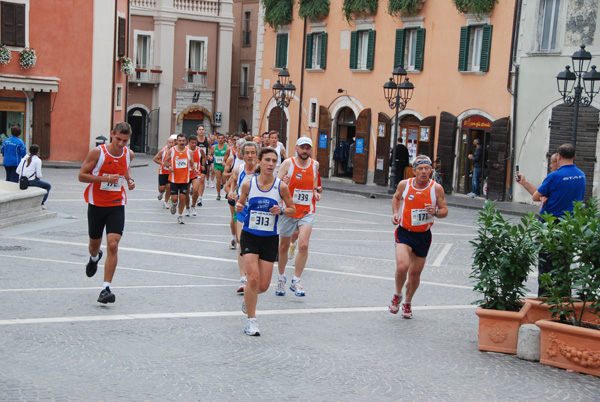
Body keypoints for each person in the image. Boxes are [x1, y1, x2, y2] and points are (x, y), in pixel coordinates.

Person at [235, 147, 295, 336]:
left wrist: (282, 211)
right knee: (252, 277)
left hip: (269, 238)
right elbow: (240, 203)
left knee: (262, 285)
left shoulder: (281, 187)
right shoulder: (248, 184)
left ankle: (249, 297)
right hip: (250, 235)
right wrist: (238, 205)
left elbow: (292, 208)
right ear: (259, 161)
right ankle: (251, 321)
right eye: (267, 160)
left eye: (274, 161)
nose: (271, 164)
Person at [515, 144, 585, 296]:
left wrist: (545, 195)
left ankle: (546, 301)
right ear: (574, 156)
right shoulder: (581, 175)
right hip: (569, 226)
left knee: (546, 266)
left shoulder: (554, 177)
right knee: (564, 266)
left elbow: (535, 197)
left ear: (559, 157)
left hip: (550, 226)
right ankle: (564, 302)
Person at [78, 122, 135, 304]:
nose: (121, 144)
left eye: (125, 141)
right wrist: (104, 178)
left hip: (117, 204)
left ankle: (105, 288)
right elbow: (82, 176)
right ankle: (94, 257)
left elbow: (125, 166)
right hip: (96, 204)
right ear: (112, 134)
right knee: (95, 245)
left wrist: (129, 179)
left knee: (113, 245)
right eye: (118, 139)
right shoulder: (98, 152)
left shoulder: (129, 153)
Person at [389, 155, 448, 318]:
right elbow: (396, 197)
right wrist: (395, 213)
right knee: (402, 266)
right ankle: (397, 294)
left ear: (430, 170)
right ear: (414, 171)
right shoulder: (404, 184)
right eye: (420, 168)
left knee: (415, 274)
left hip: (423, 235)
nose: (423, 172)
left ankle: (407, 302)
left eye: (427, 168)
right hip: (404, 232)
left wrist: (435, 212)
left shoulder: (436, 189)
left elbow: (444, 210)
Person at [276, 137, 321, 297]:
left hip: (307, 210)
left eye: (308, 148)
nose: (305, 151)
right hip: (289, 210)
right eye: (302, 148)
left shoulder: (314, 165)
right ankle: (281, 277)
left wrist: (315, 191)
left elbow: (314, 181)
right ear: (296, 148)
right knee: (283, 247)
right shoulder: (288, 164)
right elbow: (276, 184)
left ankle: (296, 280)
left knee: (303, 245)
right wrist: (283, 181)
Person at [225, 140, 259, 294]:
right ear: (243, 155)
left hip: (258, 211)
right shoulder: (238, 170)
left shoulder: (262, 169)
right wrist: (232, 192)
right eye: (247, 153)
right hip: (242, 209)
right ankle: (243, 279)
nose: (250, 156)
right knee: (241, 242)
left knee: (255, 245)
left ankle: (252, 273)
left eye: (253, 153)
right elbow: (231, 185)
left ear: (257, 154)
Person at [163, 134, 197, 224]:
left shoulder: (189, 152)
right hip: (174, 179)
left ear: (185, 141)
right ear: (177, 141)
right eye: (180, 141)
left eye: (183, 141)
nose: (181, 142)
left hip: (185, 179)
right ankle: (174, 204)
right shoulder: (172, 151)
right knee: (174, 198)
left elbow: (192, 164)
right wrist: (169, 166)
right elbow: (166, 161)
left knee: (182, 198)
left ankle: (180, 215)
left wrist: (195, 169)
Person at [17, 144, 51, 208]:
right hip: (31, 181)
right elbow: (39, 175)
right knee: (48, 186)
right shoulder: (37, 160)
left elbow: (17, 171)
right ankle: (42, 203)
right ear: (38, 152)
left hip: (22, 181)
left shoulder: (24, 159)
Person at [185, 134, 206, 217]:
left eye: (195, 143)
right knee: (186, 192)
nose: (194, 144)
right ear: (189, 142)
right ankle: (187, 208)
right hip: (186, 173)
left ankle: (193, 206)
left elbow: (204, 157)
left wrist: (203, 165)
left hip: (196, 173)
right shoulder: (185, 149)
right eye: (192, 143)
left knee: (196, 190)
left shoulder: (199, 150)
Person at [153, 135, 176, 209]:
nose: (171, 144)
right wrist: (161, 163)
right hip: (163, 171)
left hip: (170, 172)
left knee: (169, 187)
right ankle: (160, 193)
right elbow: (155, 159)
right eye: (170, 142)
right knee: (162, 188)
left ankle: (166, 202)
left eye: (172, 142)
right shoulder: (163, 151)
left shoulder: (175, 151)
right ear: (167, 143)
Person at [209, 133, 230, 200]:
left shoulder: (227, 147)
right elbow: (210, 154)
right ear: (217, 139)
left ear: (224, 139)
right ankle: (218, 194)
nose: (220, 140)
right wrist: (210, 157)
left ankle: (222, 184)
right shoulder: (214, 147)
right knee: (218, 179)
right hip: (217, 165)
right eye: (219, 138)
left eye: (222, 138)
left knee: (223, 181)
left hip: (224, 165)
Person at [195, 125, 211, 206]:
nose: (201, 131)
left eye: (202, 129)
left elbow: (210, 149)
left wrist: (209, 155)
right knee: (194, 180)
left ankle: (200, 197)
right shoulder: (194, 140)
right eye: (200, 129)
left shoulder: (207, 140)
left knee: (202, 179)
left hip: (203, 161)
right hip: (195, 161)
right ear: (197, 131)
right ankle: (194, 189)